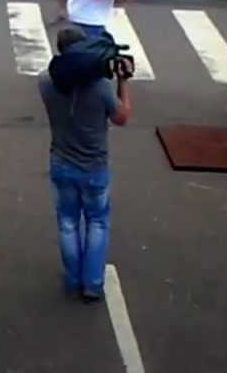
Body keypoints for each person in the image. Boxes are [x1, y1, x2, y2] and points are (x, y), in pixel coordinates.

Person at [38, 25, 131, 302]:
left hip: (61, 161)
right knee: (97, 222)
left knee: (67, 223)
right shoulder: (100, 87)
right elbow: (122, 117)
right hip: (94, 166)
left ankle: (72, 278)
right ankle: (92, 283)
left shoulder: (46, 82)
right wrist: (123, 82)